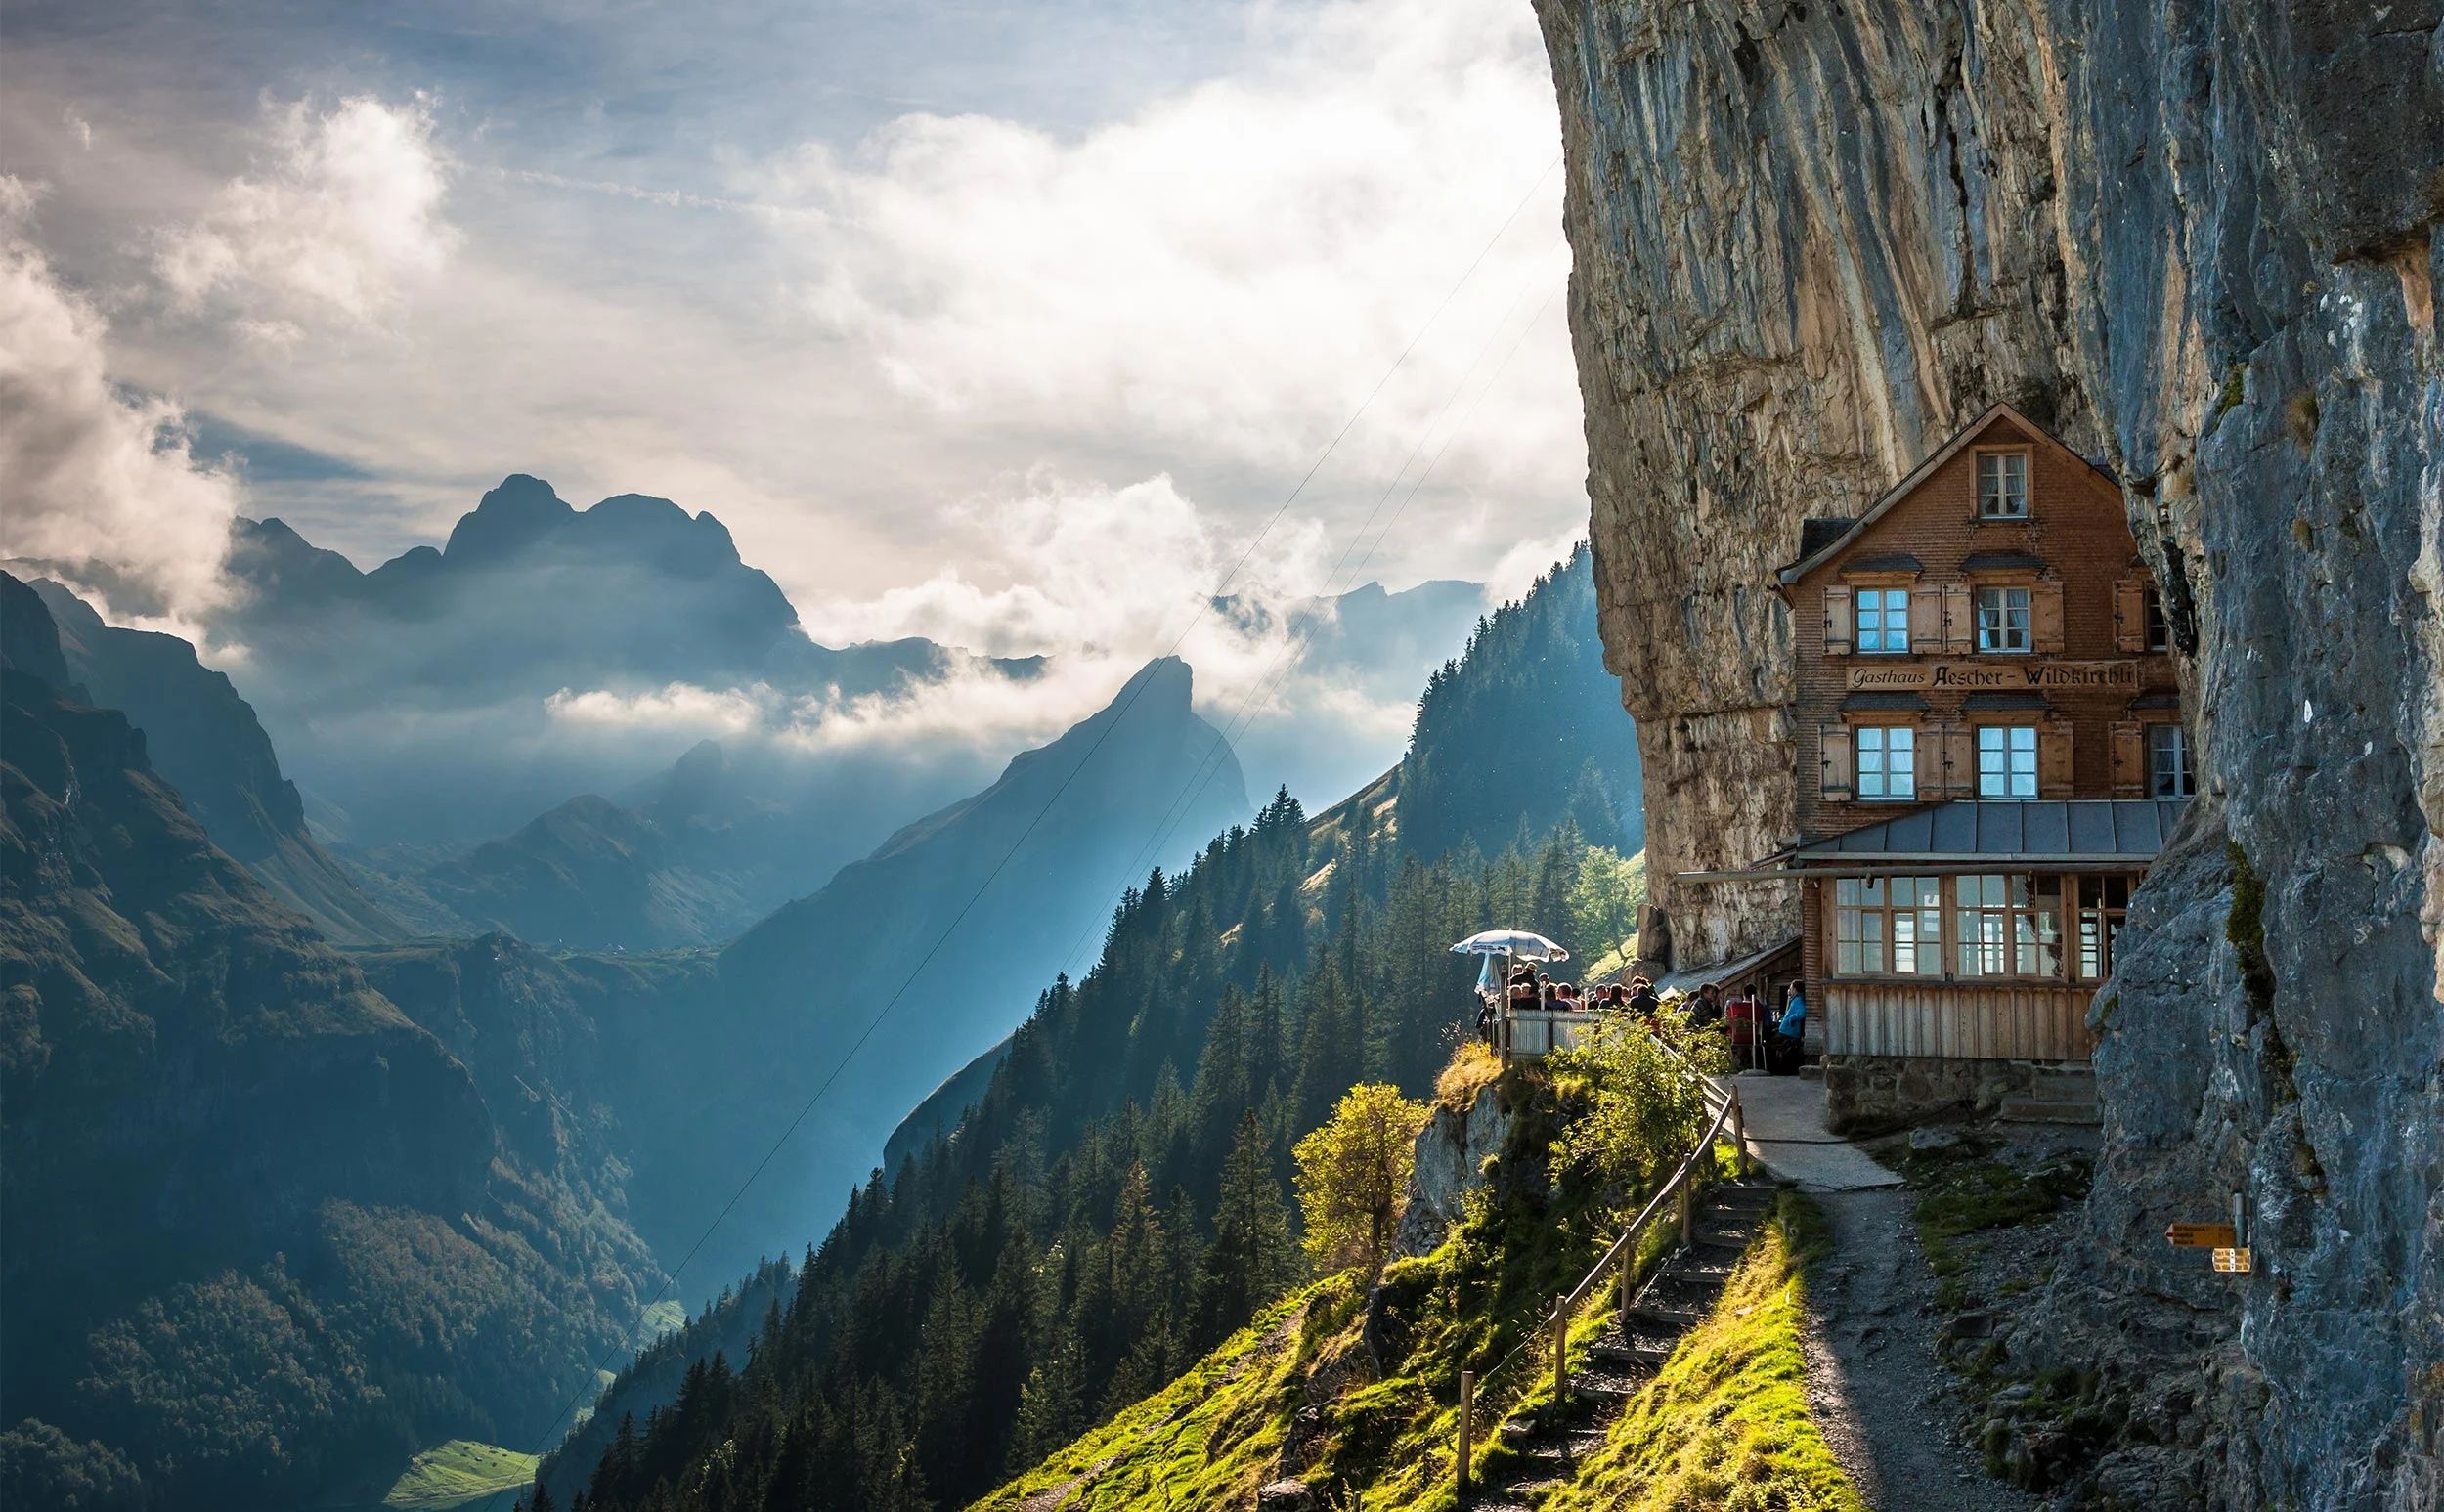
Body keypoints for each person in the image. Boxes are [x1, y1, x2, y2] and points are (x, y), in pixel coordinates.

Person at [1768, 982, 1808, 1074]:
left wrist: (1791, 1018)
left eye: (1790, 988)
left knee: (1770, 1046)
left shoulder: (1798, 1000)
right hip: (1786, 1030)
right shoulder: (1794, 1000)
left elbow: (1802, 1012)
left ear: (1795, 989)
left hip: (1788, 1032)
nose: (1789, 990)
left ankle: (1774, 1069)